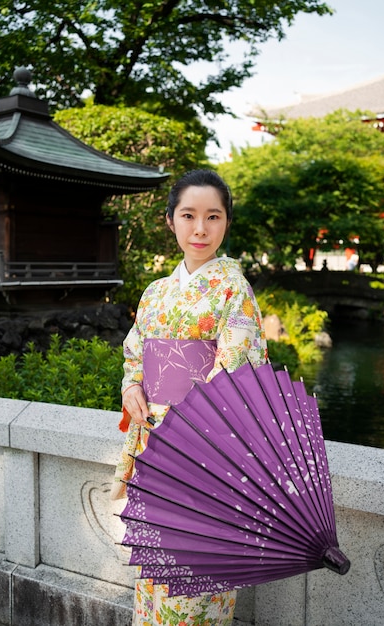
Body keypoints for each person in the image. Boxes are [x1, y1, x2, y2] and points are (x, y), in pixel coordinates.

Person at [111, 168, 268, 626]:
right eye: (189, 215)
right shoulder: (155, 293)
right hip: (151, 447)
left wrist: (183, 428)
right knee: (152, 579)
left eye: (213, 217)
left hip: (204, 452)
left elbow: (238, 370)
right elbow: (134, 354)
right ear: (171, 221)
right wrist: (132, 387)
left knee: (193, 584)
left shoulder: (233, 289)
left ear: (226, 223)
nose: (201, 229)